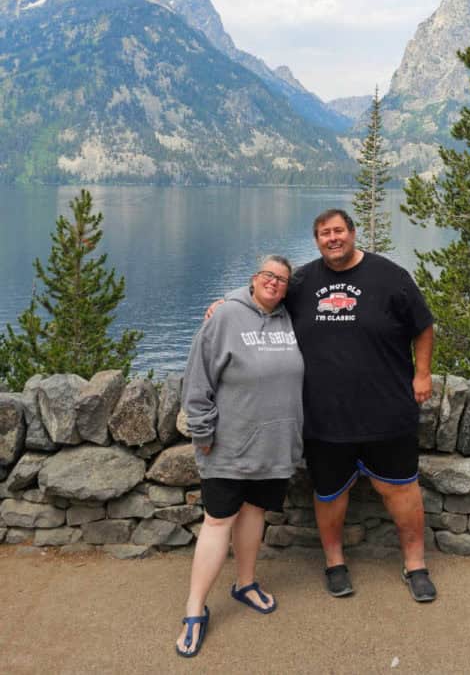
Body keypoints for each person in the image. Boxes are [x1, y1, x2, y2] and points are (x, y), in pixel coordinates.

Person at [284, 209, 436, 603]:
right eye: (323, 233)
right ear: (316, 241)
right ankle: (335, 564)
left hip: (387, 411)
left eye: (338, 231)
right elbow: (261, 301)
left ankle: (415, 565)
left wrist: (422, 374)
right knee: (329, 494)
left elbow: (423, 326)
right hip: (323, 415)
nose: (331, 238)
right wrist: (225, 306)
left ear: (353, 233)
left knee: (402, 492)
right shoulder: (301, 282)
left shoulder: (390, 277)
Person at [176, 255, 304, 658]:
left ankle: (245, 584)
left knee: (254, 513)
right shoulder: (226, 316)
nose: (275, 283)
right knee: (217, 521)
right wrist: (202, 432)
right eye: (268, 275)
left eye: (283, 279)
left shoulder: (290, 320)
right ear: (254, 279)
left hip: (274, 445)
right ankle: (194, 609)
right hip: (229, 446)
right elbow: (196, 382)